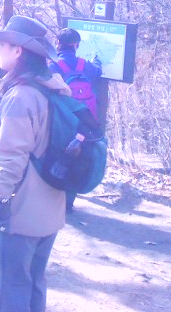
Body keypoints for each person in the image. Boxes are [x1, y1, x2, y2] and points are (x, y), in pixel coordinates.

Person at [0, 15, 71, 312]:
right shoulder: (53, 88)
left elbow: (11, 157)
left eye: (3, 46)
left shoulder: (20, 96)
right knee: (35, 281)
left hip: (21, 209)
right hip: (51, 205)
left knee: (14, 284)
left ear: (18, 51)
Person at [49, 27, 102, 212]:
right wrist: (97, 60)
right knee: (77, 156)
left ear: (58, 43)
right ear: (76, 45)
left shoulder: (54, 66)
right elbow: (97, 72)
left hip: (63, 120)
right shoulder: (84, 65)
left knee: (59, 155)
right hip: (84, 121)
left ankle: (55, 199)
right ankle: (69, 202)